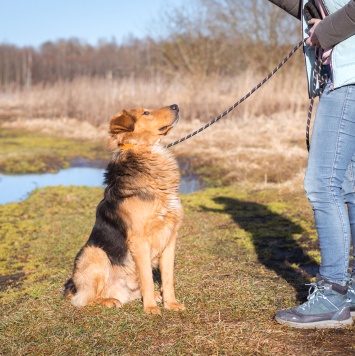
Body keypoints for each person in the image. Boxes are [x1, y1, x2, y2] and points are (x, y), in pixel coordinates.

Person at [267, 0, 355, 328]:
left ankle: (333, 290)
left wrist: (327, 33)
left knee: (322, 184)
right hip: (345, 75)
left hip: (349, 79)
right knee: (347, 184)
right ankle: (347, 287)